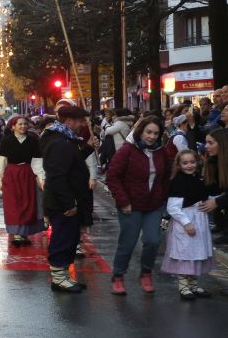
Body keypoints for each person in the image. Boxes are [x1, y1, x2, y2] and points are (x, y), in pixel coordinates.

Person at [105, 115, 177, 295]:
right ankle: (118, 276)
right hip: (131, 205)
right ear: (140, 131)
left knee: (153, 241)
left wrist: (163, 198)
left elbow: (166, 177)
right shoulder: (127, 151)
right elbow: (113, 177)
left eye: (155, 133)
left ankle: (146, 272)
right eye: (148, 132)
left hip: (154, 205)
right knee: (127, 243)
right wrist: (123, 201)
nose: (151, 137)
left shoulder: (161, 151)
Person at [40, 104, 94, 293]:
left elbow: (72, 161)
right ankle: (58, 277)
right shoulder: (59, 142)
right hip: (63, 202)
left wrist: (87, 149)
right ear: (69, 121)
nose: (82, 125)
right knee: (62, 238)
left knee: (70, 238)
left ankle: (63, 275)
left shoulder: (65, 140)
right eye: (80, 121)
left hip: (68, 199)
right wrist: (69, 202)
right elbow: (57, 175)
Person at [162, 150, 214, 299]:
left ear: (197, 162)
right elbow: (173, 207)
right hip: (186, 221)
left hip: (199, 220)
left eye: (192, 162)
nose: (189, 165)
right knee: (185, 254)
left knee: (196, 253)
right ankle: (184, 286)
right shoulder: (178, 182)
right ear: (179, 165)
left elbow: (204, 195)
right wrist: (186, 223)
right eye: (185, 163)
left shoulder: (198, 178)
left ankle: (193, 285)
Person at [0, 116, 45, 245]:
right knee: (14, 204)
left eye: (25, 124)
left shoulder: (32, 141)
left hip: (27, 174)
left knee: (28, 203)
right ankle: (17, 233)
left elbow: (37, 161)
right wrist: (0, 180)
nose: (23, 126)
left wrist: (41, 178)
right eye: (20, 124)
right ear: (13, 126)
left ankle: (24, 232)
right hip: (11, 174)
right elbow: (2, 162)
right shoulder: (7, 141)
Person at [202, 127, 227, 246]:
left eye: (210, 143)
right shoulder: (213, 161)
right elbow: (211, 188)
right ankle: (222, 226)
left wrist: (217, 201)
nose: (206, 146)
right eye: (206, 142)